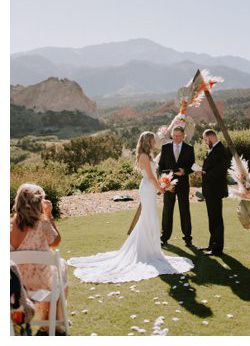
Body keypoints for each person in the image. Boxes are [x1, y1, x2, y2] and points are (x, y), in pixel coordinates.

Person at [70, 132, 194, 283]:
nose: (154, 142)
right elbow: (150, 176)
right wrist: (161, 189)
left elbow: (156, 170)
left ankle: (149, 248)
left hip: (150, 188)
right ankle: (145, 250)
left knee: (149, 217)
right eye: (153, 140)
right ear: (148, 141)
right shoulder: (144, 157)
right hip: (148, 187)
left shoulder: (148, 155)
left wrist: (163, 183)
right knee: (148, 217)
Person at [9, 184, 65, 334]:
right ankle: (54, 322)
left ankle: (49, 321)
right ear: (38, 202)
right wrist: (48, 215)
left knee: (57, 270)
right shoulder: (43, 223)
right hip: (42, 283)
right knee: (61, 268)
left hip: (16, 285)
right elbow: (56, 241)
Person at [159, 126, 196, 247]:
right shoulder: (165, 148)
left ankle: (187, 238)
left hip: (183, 184)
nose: (175, 138)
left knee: (184, 210)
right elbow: (161, 166)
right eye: (174, 136)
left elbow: (192, 166)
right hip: (168, 184)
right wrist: (165, 181)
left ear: (183, 136)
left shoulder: (189, 148)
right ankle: (164, 237)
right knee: (167, 210)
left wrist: (184, 171)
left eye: (178, 136)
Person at [196, 129, 231, 256]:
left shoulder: (221, 150)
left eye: (206, 140)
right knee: (212, 218)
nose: (205, 142)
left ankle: (217, 248)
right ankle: (212, 245)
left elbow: (220, 171)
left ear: (211, 137)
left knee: (216, 219)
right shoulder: (214, 149)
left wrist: (203, 173)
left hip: (215, 190)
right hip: (210, 190)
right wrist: (202, 171)